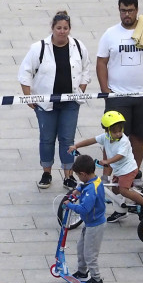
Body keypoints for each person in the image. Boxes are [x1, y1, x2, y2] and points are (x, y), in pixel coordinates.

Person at [18, 10, 91, 190]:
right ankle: (47, 173)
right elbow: (25, 72)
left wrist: (81, 90)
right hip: (45, 103)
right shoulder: (39, 48)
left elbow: (86, 69)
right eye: (58, 28)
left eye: (65, 28)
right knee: (47, 139)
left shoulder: (79, 47)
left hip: (70, 103)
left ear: (70, 29)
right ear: (52, 28)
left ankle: (68, 175)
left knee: (67, 139)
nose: (62, 31)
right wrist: (28, 96)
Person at [96, 0, 143, 168]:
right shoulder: (110, 34)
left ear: (137, 10)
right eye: (123, 11)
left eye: (130, 11)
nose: (126, 14)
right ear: (118, 10)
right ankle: (107, 174)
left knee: (139, 137)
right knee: (113, 137)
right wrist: (106, 91)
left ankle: (134, 172)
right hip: (118, 96)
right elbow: (101, 62)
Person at [69, 111, 143, 223]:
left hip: (128, 169)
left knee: (123, 190)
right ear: (107, 131)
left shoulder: (124, 141)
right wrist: (76, 145)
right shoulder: (106, 137)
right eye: (114, 132)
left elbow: (119, 156)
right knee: (115, 191)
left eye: (120, 131)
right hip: (119, 170)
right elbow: (91, 140)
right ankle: (121, 211)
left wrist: (107, 161)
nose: (118, 134)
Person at [62, 154, 106, 283]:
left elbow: (85, 208)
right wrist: (76, 191)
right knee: (81, 248)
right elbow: (83, 185)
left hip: (95, 225)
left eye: (78, 175)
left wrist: (70, 204)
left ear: (83, 174)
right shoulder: (94, 181)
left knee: (90, 254)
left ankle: (96, 280)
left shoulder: (92, 190)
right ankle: (82, 272)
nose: (79, 178)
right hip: (90, 223)